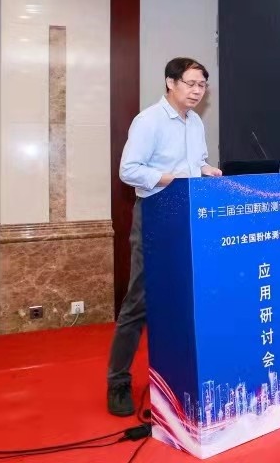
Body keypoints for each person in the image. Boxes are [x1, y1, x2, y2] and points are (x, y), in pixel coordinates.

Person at [107, 57, 222, 416]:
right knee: (139, 300)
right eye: (191, 83)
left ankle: (179, 373)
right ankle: (118, 381)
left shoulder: (195, 122)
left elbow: (195, 162)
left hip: (189, 214)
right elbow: (129, 170)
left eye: (202, 85)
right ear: (171, 82)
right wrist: (169, 178)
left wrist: (206, 170)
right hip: (155, 214)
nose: (197, 91)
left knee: (184, 295)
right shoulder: (149, 121)